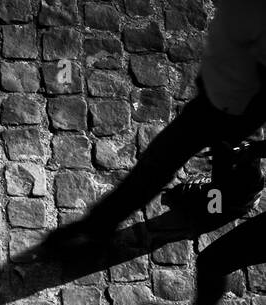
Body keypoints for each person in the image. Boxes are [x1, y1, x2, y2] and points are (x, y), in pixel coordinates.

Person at [41, 0, 266, 258]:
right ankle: (99, 225)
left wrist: (253, 142)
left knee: (165, 161)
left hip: (233, 107)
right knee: (168, 161)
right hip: (221, 92)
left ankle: (234, 197)